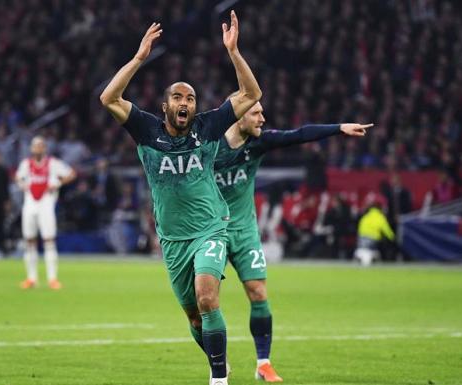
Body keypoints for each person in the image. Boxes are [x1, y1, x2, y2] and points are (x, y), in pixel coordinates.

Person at [99, 13, 261, 385]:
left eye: (190, 97)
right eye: (178, 96)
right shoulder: (145, 129)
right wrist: (139, 58)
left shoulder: (207, 126)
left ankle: (218, 380)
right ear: (166, 106)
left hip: (210, 229)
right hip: (172, 240)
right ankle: (218, 360)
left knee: (208, 299)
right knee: (193, 316)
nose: (185, 101)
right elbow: (108, 97)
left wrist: (234, 53)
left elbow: (252, 95)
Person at [213, 99, 371, 381]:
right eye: (256, 112)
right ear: (238, 116)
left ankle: (263, 363)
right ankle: (216, 360)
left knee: (258, 292)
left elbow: (298, 134)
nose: (263, 117)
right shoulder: (210, 146)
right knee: (205, 302)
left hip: (245, 231)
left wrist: (339, 128)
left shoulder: (259, 142)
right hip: (212, 231)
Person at [15, 136, 76, 289]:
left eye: (41, 146)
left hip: (46, 205)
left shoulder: (53, 163)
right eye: (36, 146)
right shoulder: (26, 164)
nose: (38, 148)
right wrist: (22, 184)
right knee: (29, 241)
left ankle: (52, 278)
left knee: (49, 241)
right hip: (30, 205)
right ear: (31, 148)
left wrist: (58, 184)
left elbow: (71, 173)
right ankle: (31, 278)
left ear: (45, 148)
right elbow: (17, 177)